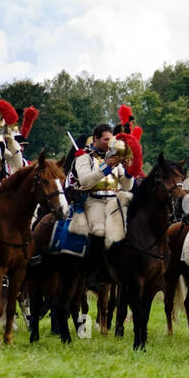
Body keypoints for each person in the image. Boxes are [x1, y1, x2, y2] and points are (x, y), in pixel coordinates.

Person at [72, 121, 139, 285]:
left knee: (134, 230)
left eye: (111, 140)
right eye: (106, 140)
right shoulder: (83, 157)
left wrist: (129, 173)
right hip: (95, 201)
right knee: (100, 231)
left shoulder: (116, 157)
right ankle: (94, 272)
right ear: (95, 138)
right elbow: (85, 181)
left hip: (115, 201)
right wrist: (106, 167)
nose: (110, 143)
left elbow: (126, 186)